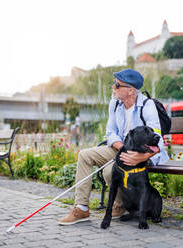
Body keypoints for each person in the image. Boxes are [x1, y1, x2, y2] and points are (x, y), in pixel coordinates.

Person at [58, 69, 169, 225]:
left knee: (110, 171)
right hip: (121, 148)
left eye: (117, 85)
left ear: (131, 90)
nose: (113, 87)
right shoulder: (115, 104)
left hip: (144, 154)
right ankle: (81, 209)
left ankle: (119, 205)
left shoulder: (147, 105)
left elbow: (157, 138)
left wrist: (141, 156)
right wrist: (124, 148)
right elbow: (110, 132)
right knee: (84, 154)